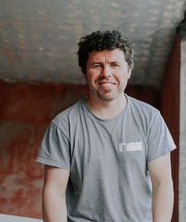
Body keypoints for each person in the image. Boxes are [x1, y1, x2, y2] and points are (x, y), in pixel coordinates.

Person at [36, 30, 176, 222]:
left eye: (114, 65)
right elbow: (54, 191)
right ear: (85, 71)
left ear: (128, 70)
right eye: (97, 65)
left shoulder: (150, 119)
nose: (106, 73)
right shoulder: (64, 126)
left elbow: (162, 184)